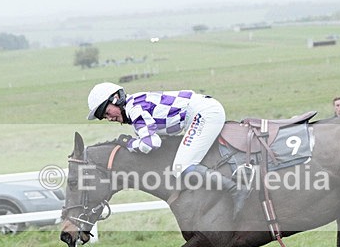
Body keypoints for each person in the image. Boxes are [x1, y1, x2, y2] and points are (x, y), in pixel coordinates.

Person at [86, 82, 246, 217]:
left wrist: (129, 144)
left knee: (181, 167)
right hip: (202, 111)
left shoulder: (134, 109)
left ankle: (235, 189)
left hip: (203, 113)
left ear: (116, 99)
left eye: (107, 113)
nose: (110, 118)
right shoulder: (134, 105)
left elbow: (150, 143)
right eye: (105, 118)